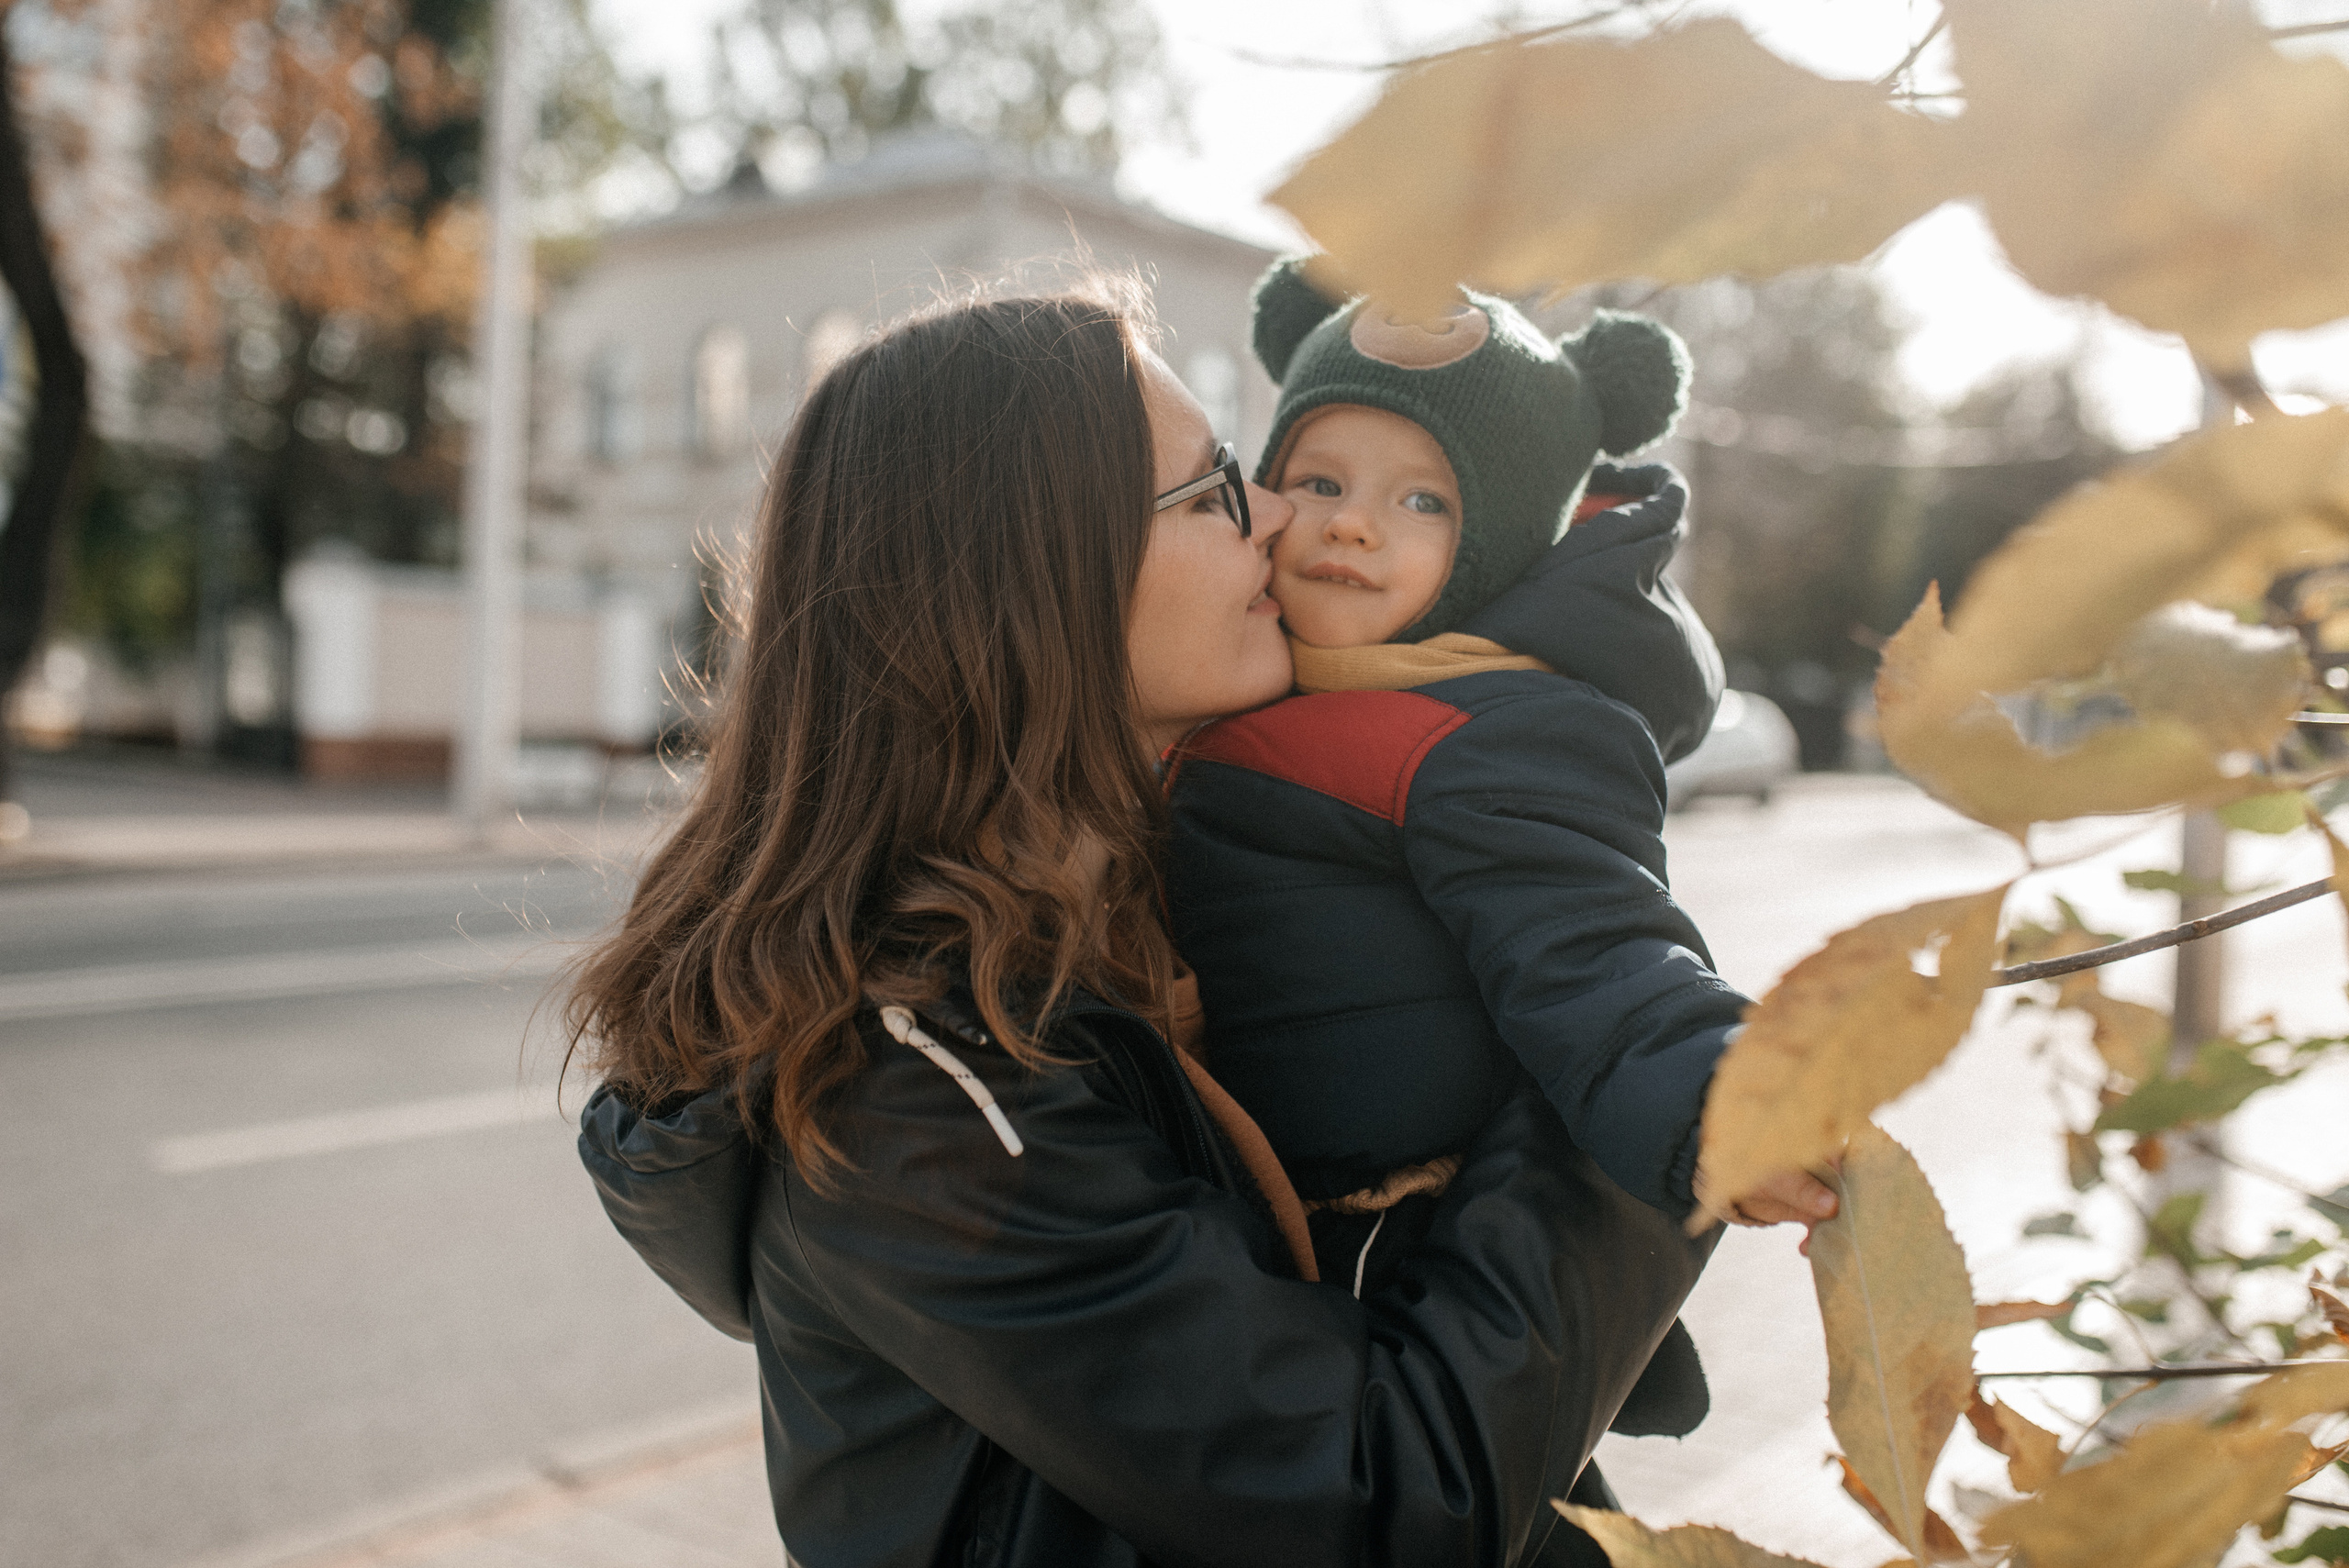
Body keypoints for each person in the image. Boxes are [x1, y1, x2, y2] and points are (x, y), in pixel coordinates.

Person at [567, 280, 1709, 1568]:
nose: (1279, 512)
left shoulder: (1135, 912)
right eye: (1220, 487)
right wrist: (1652, 1100)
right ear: (1037, 579)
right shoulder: (915, 1095)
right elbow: (1379, 1499)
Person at [1165, 260, 1837, 1295]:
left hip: (1393, 1235)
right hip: (1248, 1216)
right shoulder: (1254, 681)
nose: (1353, 521)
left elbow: (1596, 948)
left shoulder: (1495, 730)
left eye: (1424, 499)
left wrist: (1718, 1100)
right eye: (1319, 481)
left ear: (1500, 546)